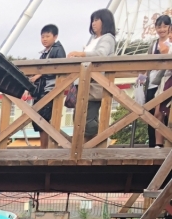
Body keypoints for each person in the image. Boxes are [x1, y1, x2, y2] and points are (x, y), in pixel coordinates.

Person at [68, 9, 117, 139]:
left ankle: (95, 146)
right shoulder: (94, 39)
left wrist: (81, 54)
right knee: (78, 118)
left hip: (94, 85)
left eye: (96, 20)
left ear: (105, 21)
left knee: (89, 120)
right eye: (92, 20)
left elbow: (101, 54)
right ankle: (84, 148)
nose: (93, 23)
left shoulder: (108, 38)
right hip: (83, 84)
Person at [26, 25, 66, 149]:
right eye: (42, 36)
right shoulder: (46, 52)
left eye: (47, 36)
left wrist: (39, 74)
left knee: (44, 119)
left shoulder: (57, 50)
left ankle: (46, 148)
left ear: (55, 36)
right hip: (43, 90)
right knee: (39, 119)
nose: (44, 39)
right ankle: (43, 147)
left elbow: (59, 69)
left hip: (51, 89)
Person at [138, 15, 171, 147]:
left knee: (163, 114)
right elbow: (147, 62)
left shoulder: (170, 42)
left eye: (165, 26)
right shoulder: (153, 44)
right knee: (151, 116)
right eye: (159, 26)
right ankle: (153, 145)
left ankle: (164, 144)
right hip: (151, 83)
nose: (162, 29)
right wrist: (141, 78)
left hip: (165, 83)